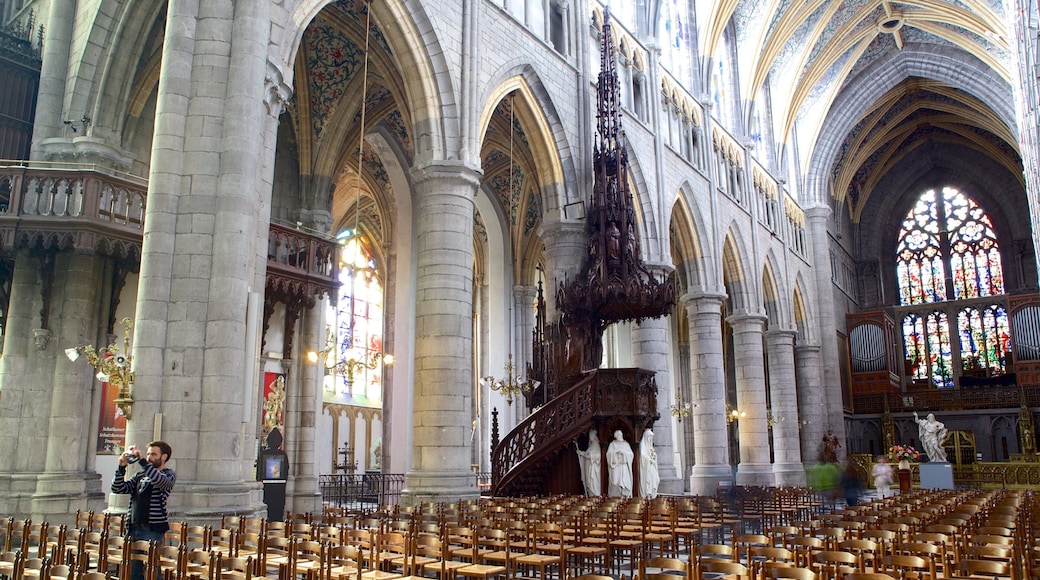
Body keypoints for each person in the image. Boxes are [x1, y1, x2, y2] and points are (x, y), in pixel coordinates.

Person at [112, 441, 176, 580]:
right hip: (133, 527)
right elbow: (118, 488)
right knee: (133, 571)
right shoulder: (140, 475)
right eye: (148, 454)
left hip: (152, 529)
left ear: (164, 457)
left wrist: (141, 461)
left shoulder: (168, 475)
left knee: (152, 568)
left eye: (153, 454)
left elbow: (158, 480)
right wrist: (121, 467)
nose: (149, 457)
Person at [606, 430, 634, 497]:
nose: (620, 436)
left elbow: (631, 454)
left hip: (623, 466)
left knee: (625, 482)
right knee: (615, 482)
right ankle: (614, 497)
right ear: (616, 436)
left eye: (621, 435)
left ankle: (625, 496)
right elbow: (608, 454)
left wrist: (623, 453)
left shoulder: (626, 444)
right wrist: (615, 452)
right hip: (615, 466)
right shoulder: (612, 444)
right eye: (619, 435)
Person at [576, 429, 602, 496]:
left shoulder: (596, 445)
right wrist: (581, 453)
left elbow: (598, 455)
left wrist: (589, 456)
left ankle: (595, 495)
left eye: (591, 435)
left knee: (593, 481)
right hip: (589, 465)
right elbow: (586, 454)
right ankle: (590, 494)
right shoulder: (591, 445)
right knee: (589, 482)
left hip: (593, 467)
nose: (590, 437)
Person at [638, 429, 660, 499]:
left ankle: (652, 495)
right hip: (647, 469)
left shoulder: (650, 446)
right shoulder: (643, 445)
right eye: (650, 437)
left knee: (656, 479)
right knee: (649, 482)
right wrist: (650, 460)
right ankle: (647, 494)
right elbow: (642, 456)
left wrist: (654, 456)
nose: (651, 439)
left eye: (651, 437)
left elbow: (653, 455)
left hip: (651, 467)